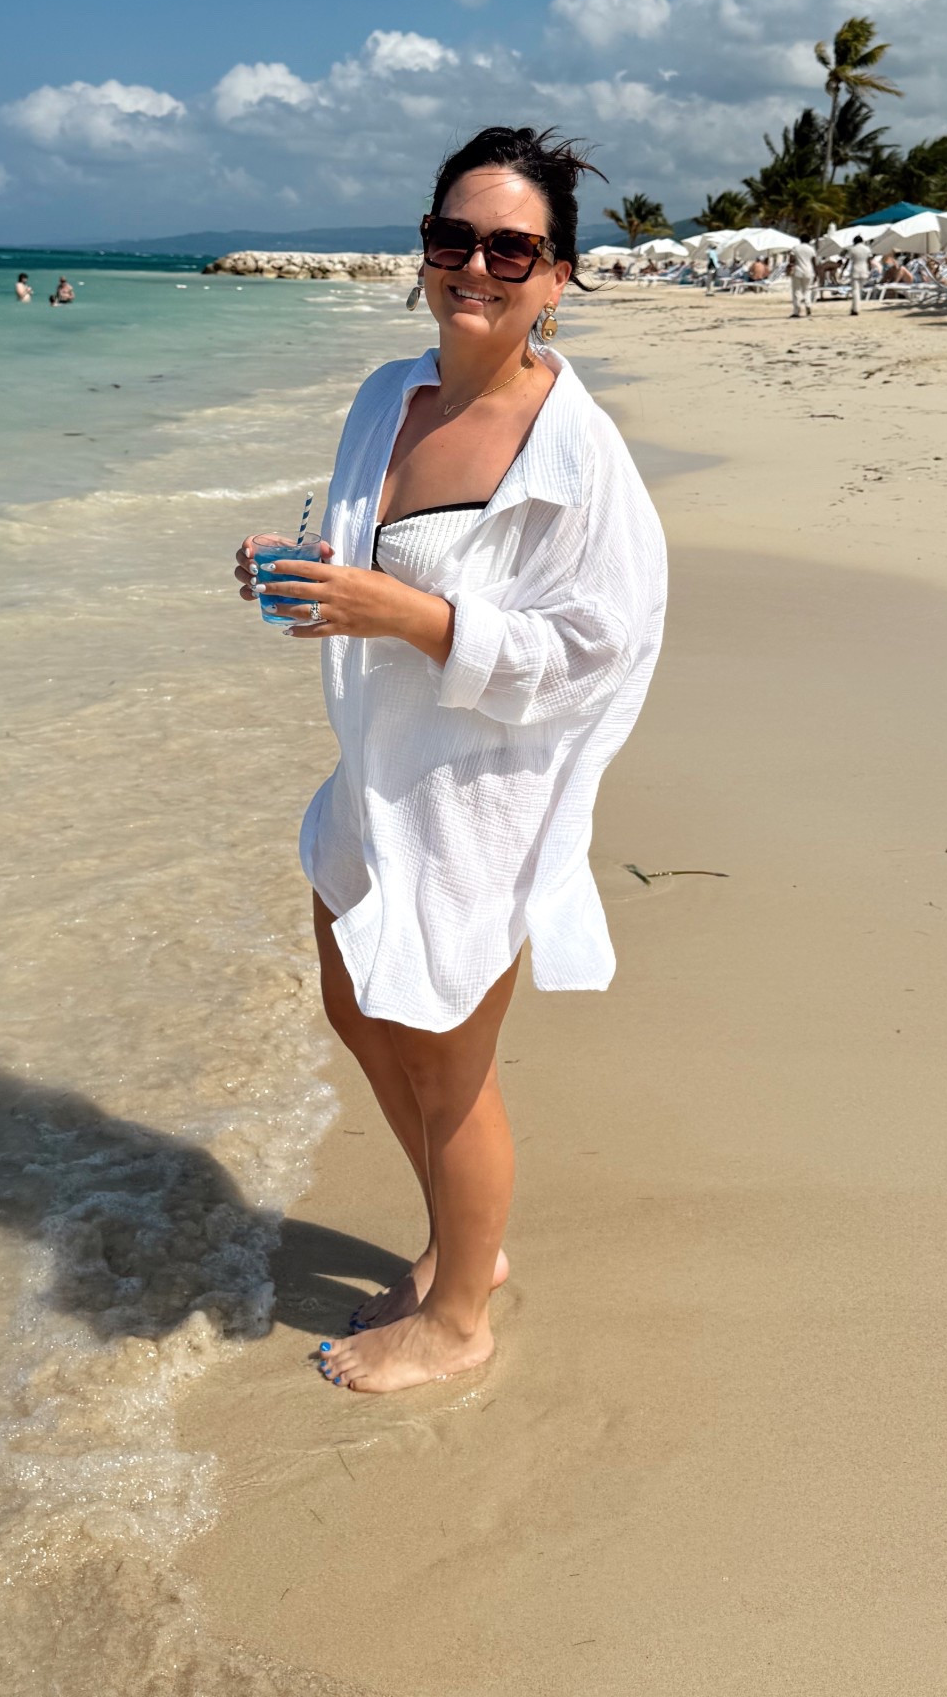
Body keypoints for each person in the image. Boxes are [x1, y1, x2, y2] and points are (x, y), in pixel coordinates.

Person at [235, 125, 666, 1394]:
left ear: (557, 276)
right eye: (450, 238)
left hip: (480, 802)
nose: (473, 265)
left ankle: (462, 1313)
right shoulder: (385, 395)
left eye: (509, 246)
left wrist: (414, 618)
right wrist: (298, 571)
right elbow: (358, 542)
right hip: (373, 774)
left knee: (447, 1056)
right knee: (356, 1007)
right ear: (422, 252)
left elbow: (601, 648)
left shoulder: (576, 453)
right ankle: (459, 1245)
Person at [788, 235, 817, 318]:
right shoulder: (811, 249)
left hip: (798, 271)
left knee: (796, 291)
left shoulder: (795, 248)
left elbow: (791, 260)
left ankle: (796, 310)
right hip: (809, 271)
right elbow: (814, 262)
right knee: (807, 290)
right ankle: (808, 305)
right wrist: (816, 273)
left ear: (800, 240)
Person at [847, 234, 872, 314]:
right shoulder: (867, 249)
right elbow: (869, 261)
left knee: (855, 290)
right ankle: (854, 308)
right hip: (864, 270)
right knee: (859, 290)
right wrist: (870, 270)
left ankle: (855, 309)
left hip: (855, 270)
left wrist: (843, 270)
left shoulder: (852, 249)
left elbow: (848, 260)